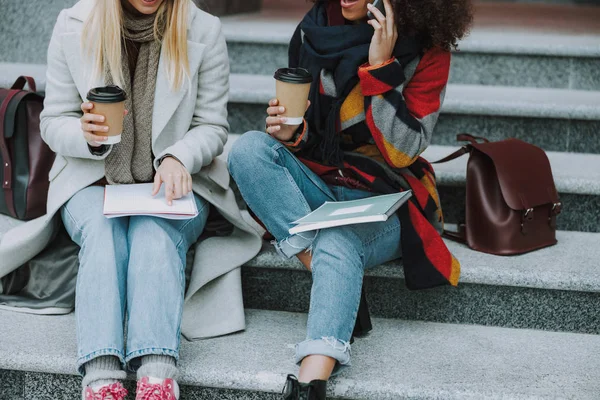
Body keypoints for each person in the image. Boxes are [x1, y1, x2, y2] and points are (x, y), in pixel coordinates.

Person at [228, 0, 473, 398]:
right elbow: (314, 137)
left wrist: (381, 70)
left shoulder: (428, 49)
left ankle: (311, 382)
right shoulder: (314, 30)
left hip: (387, 196)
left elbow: (403, 150)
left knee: (337, 237)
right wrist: (292, 134)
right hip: (323, 180)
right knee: (248, 151)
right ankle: (329, 271)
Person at [37, 0, 262, 399]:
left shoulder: (203, 29)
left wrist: (180, 156)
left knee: (152, 231)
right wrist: (86, 135)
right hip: (92, 179)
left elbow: (212, 125)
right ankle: (101, 377)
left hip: (173, 183)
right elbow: (54, 120)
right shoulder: (74, 22)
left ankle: (157, 376)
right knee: (104, 232)